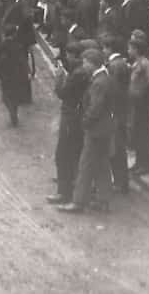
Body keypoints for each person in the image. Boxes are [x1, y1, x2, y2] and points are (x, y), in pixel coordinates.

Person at [58, 48, 114, 213]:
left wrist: (85, 122)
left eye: (85, 62)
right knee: (102, 165)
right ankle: (103, 200)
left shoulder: (98, 82)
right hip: (105, 129)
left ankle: (78, 202)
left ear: (91, 63)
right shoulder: (105, 78)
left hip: (95, 130)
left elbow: (95, 108)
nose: (83, 65)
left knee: (85, 165)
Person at [47, 40, 90, 205]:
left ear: (73, 55)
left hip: (71, 116)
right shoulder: (83, 71)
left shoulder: (77, 74)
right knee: (75, 154)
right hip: (78, 116)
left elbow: (63, 93)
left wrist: (59, 79)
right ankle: (72, 187)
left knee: (63, 155)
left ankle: (64, 192)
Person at [0, 0, 36, 126]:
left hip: (20, 41)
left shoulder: (22, 3)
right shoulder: (15, 2)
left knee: (21, 65)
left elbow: (27, 18)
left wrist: (17, 30)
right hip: (17, 39)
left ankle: (25, 96)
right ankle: (23, 95)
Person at [127, 30, 149, 175]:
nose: (128, 50)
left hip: (143, 108)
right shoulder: (136, 63)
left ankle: (145, 165)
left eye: (130, 48)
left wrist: (145, 101)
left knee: (143, 135)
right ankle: (140, 162)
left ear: (137, 50)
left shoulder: (145, 64)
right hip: (136, 106)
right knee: (138, 135)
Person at [104, 36, 131, 194]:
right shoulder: (119, 63)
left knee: (117, 148)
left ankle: (121, 182)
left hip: (117, 112)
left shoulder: (115, 66)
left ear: (109, 48)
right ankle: (121, 180)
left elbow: (113, 90)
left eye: (104, 48)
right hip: (120, 111)